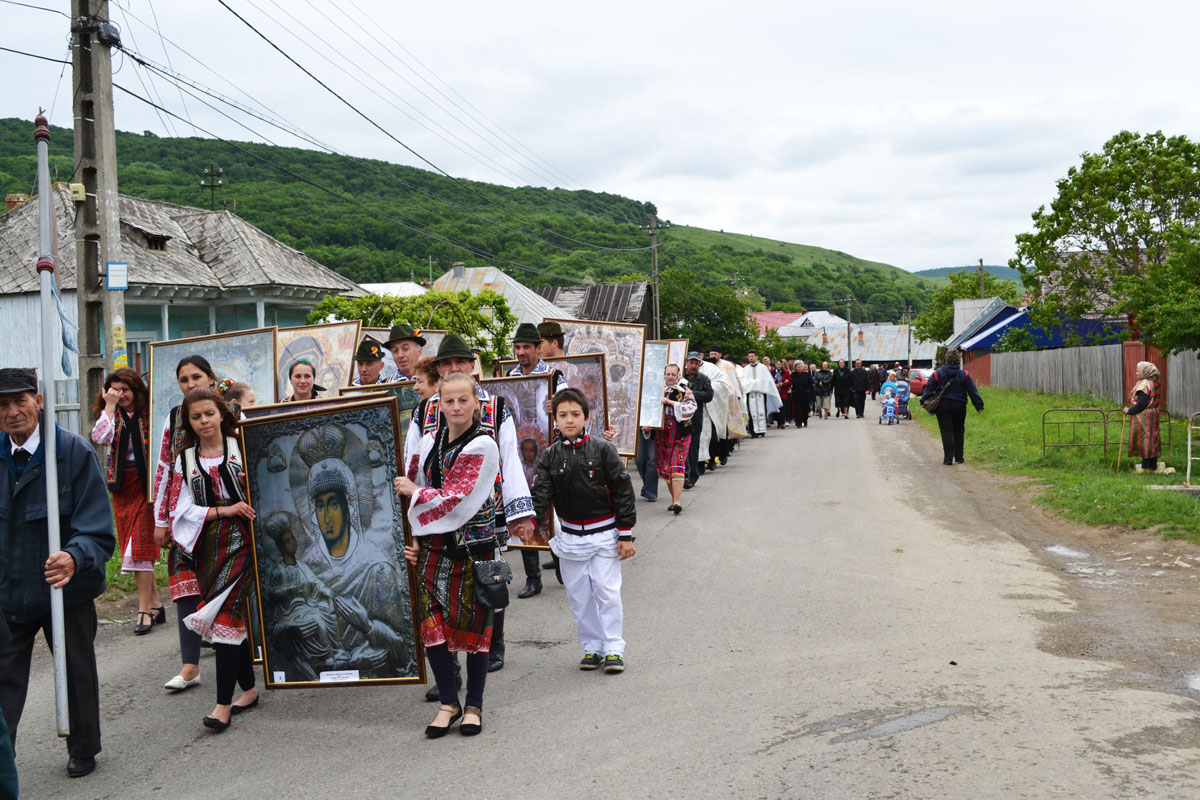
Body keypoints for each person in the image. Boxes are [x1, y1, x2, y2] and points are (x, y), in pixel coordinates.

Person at [0, 367, 115, 779]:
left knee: (75, 669)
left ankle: (83, 747)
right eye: (3, 405)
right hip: (9, 591)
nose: (12, 412)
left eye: (20, 401)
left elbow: (99, 531)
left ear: (39, 401)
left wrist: (73, 555)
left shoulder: (72, 453)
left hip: (62, 588)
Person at [405, 335, 534, 676]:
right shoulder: (425, 409)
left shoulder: (497, 406)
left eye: (459, 362)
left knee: (487, 580)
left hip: (484, 512)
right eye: (446, 364)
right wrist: (411, 519)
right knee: (439, 589)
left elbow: (511, 458)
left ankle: (492, 645)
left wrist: (520, 513)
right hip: (435, 514)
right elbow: (411, 463)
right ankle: (450, 669)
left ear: (472, 365)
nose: (453, 367)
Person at [396, 373, 501, 738]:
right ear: (438, 404)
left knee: (475, 628)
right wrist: (413, 538)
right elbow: (407, 488)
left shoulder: (484, 445)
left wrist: (416, 493)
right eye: (449, 401)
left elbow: (458, 499)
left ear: (476, 403)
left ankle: (474, 704)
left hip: (472, 548)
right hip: (433, 548)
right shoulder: (428, 442)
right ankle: (448, 702)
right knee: (432, 626)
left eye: (462, 400)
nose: (456, 407)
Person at [166, 388, 258, 731]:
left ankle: (222, 705)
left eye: (209, 414)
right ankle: (248, 690)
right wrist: (225, 508)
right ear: (188, 422)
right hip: (208, 544)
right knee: (229, 619)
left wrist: (248, 492)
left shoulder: (243, 445)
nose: (204, 421)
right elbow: (182, 509)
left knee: (224, 618)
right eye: (196, 417)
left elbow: (265, 485)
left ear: (221, 413)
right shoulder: (185, 460)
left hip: (245, 540)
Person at [531, 387, 636, 674]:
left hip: (604, 534)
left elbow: (623, 490)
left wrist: (625, 533)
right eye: (562, 415)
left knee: (606, 590)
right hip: (570, 538)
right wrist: (526, 525)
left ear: (586, 418)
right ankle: (592, 647)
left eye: (575, 414)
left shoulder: (603, 449)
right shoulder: (550, 456)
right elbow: (541, 494)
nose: (569, 420)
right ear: (555, 420)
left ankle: (614, 647)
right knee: (579, 595)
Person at [152, 355, 217, 693]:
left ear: (211, 377)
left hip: (225, 512)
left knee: (228, 585)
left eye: (196, 377)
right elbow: (163, 468)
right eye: (184, 380)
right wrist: (160, 519)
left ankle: (247, 656)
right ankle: (190, 666)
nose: (190, 385)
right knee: (185, 588)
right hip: (183, 514)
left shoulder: (230, 412)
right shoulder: (173, 419)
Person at [89, 368, 164, 635]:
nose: (121, 395)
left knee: (138, 550)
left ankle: (144, 610)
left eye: (125, 389)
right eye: (115, 390)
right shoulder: (111, 416)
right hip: (122, 488)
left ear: (136, 390)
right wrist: (108, 407)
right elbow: (99, 438)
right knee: (132, 547)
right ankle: (156, 603)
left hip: (148, 488)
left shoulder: (149, 414)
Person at [506, 322, 568, 599]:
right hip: (519, 456)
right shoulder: (508, 375)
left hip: (549, 456)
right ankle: (533, 578)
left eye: (526, 347)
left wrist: (556, 408)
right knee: (523, 513)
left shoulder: (554, 376)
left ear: (538, 348)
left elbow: (570, 411)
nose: (521, 352)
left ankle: (560, 564)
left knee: (552, 513)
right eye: (517, 347)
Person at [921, 350, 984, 465]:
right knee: (959, 430)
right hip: (960, 406)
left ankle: (948, 458)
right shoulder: (964, 375)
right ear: (957, 361)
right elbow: (972, 391)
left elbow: (928, 390)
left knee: (946, 432)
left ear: (946, 360)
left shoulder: (937, 373)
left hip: (943, 406)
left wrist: (924, 402)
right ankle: (959, 457)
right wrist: (978, 406)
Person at [654, 365, 698, 514]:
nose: (671, 377)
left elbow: (692, 407)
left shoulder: (684, 389)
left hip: (680, 432)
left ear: (678, 375)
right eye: (668, 374)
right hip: (662, 433)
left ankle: (677, 501)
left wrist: (672, 403)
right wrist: (648, 424)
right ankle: (674, 500)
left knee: (677, 464)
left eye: (673, 374)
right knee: (666, 467)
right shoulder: (656, 390)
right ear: (664, 375)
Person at [1124, 361, 1162, 473]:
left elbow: (1141, 404)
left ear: (1145, 372)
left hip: (1145, 417)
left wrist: (1129, 410)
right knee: (1153, 440)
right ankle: (1153, 467)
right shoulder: (1154, 382)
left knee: (1145, 441)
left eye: (1138, 371)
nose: (1136, 373)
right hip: (1154, 414)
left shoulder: (1144, 384)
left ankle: (1145, 467)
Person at [682, 353, 714, 487]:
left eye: (696, 363)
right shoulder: (680, 378)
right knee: (682, 447)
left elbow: (709, 395)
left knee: (693, 448)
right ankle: (682, 474)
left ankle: (692, 476)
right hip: (681, 418)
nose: (693, 366)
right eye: (691, 363)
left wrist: (691, 393)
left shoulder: (704, 379)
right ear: (687, 363)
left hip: (696, 418)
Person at [740, 350, 779, 438]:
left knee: (762, 411)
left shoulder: (763, 368)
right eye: (749, 356)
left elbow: (766, 380)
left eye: (752, 356)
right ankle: (753, 432)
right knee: (751, 412)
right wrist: (754, 384)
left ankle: (762, 430)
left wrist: (753, 384)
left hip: (761, 393)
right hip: (750, 394)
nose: (750, 358)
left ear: (756, 357)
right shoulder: (745, 369)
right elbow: (744, 382)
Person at [790, 361, 812, 428]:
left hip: (805, 394)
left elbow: (810, 384)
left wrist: (808, 391)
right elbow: (792, 384)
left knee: (805, 409)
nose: (799, 368)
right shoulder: (793, 375)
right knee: (798, 410)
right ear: (795, 367)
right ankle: (798, 423)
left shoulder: (806, 374)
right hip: (796, 395)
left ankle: (805, 421)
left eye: (801, 367)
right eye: (798, 367)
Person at [772, 359, 792, 429]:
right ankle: (778, 422)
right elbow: (769, 380)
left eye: (780, 364)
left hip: (783, 392)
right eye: (778, 364)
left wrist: (783, 383)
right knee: (777, 407)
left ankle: (782, 422)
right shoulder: (772, 371)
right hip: (775, 392)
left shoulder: (786, 372)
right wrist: (774, 384)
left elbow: (790, 381)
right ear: (775, 365)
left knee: (783, 407)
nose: (779, 365)